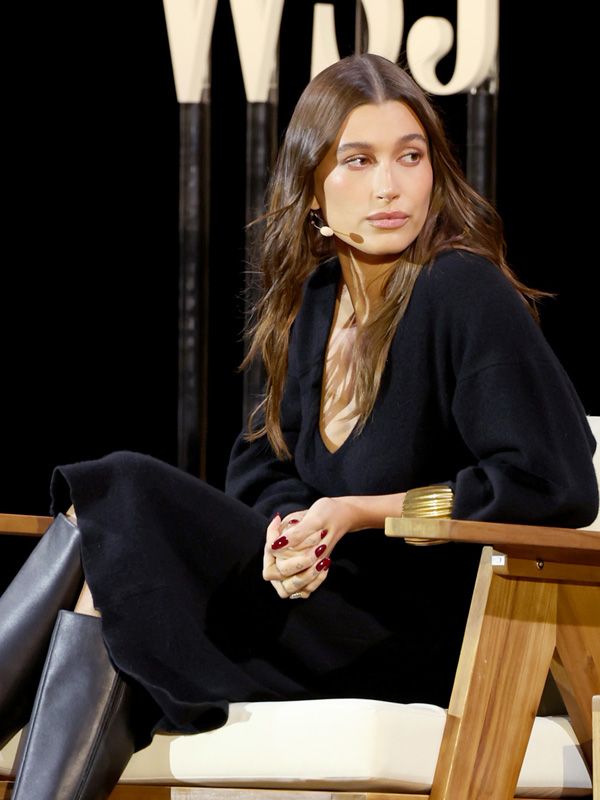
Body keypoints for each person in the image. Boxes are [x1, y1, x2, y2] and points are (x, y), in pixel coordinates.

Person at [1, 53, 597, 799]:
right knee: (110, 552)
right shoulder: (315, 303)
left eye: (410, 156)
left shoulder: (461, 289)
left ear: (434, 172)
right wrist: (291, 534)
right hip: (313, 603)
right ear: (312, 190)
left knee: (120, 496)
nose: (389, 186)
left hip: (417, 632)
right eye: (359, 160)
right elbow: (263, 469)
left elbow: (551, 482)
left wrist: (362, 513)